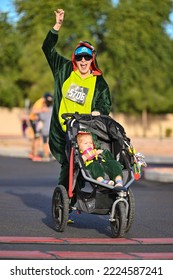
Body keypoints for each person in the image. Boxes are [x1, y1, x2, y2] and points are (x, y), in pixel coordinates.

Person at [42, 9, 112, 194]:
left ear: (92, 59)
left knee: (89, 163)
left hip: (86, 130)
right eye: (79, 57)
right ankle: (66, 201)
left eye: (87, 57)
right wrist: (57, 26)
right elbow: (47, 49)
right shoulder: (64, 70)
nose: (83, 61)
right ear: (75, 58)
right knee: (70, 166)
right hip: (64, 130)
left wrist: (98, 110)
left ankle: (102, 194)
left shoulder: (98, 81)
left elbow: (105, 103)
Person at [28, 93, 52, 162]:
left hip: (35, 120)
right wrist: (42, 110)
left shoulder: (41, 101)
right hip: (34, 121)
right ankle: (35, 155)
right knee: (37, 138)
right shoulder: (40, 102)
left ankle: (32, 153)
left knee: (36, 137)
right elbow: (34, 111)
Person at [39, 94, 53, 161]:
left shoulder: (44, 110)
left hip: (45, 129)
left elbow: (42, 118)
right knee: (51, 142)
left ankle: (46, 155)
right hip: (51, 129)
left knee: (45, 142)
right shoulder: (53, 110)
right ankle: (52, 155)